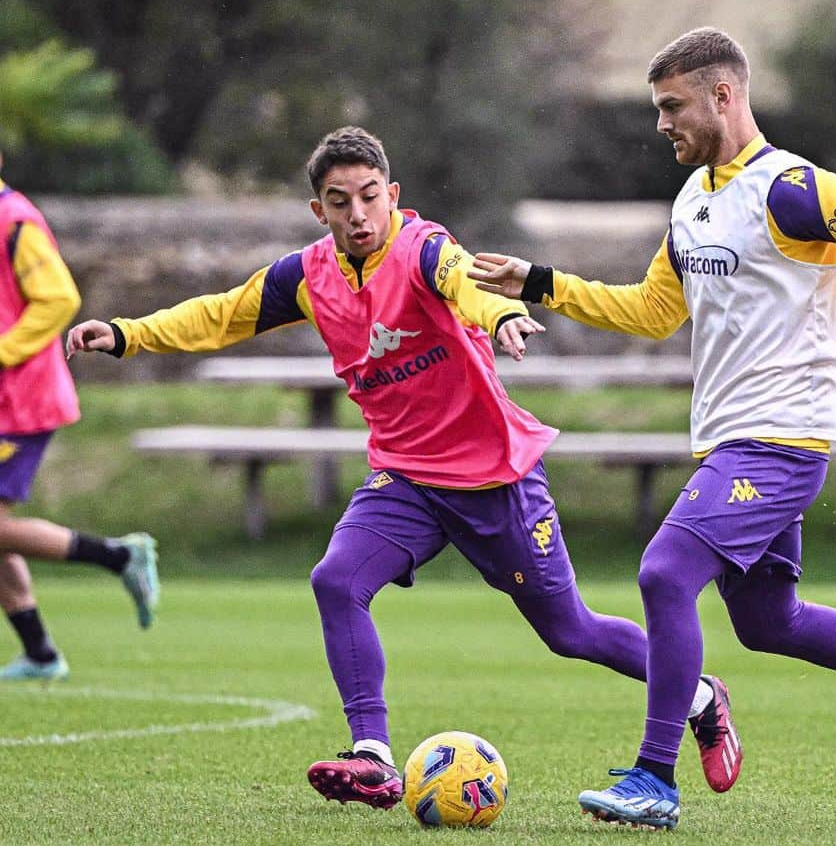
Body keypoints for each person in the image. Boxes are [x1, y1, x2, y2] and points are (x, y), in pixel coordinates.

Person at [67, 126, 739, 808]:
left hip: (493, 478)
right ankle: (373, 756)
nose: (356, 215)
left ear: (391, 195)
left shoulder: (423, 251)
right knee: (336, 580)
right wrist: (127, 335)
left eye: (367, 197)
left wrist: (504, 313)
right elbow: (219, 316)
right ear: (318, 211)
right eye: (338, 202)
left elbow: (466, 281)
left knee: (571, 632)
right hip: (406, 478)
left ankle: (700, 696)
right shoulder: (306, 276)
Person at [471, 27, 836, 830]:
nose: (662, 124)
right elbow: (653, 311)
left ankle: (652, 777)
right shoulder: (695, 198)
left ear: (723, 95)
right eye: (657, 108)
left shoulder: (789, 188)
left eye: (672, 106)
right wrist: (542, 283)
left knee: (665, 573)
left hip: (782, 435)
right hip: (733, 435)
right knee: (767, 622)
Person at [0, 151, 159, 683]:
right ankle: (41, 654)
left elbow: (58, 298)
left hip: (20, 401)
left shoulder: (13, 219)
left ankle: (119, 556)